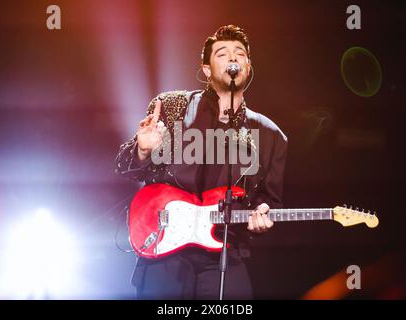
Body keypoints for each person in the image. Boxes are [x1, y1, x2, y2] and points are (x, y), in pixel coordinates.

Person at [115, 25, 288, 299]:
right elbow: (125, 167)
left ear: (248, 66)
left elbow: (268, 199)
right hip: (164, 248)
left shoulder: (270, 135)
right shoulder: (171, 106)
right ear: (206, 68)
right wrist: (143, 150)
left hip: (224, 250)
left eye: (239, 54)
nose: (233, 58)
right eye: (222, 53)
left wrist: (263, 213)